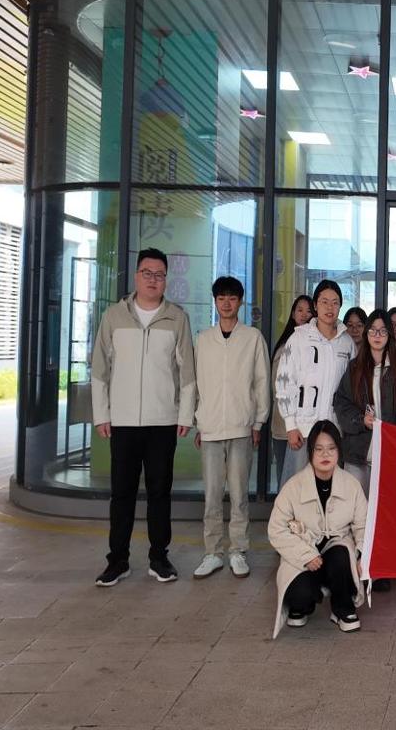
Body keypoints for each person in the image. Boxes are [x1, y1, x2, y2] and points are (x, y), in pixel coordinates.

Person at [91, 248, 195, 587]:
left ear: (166, 280)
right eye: (147, 273)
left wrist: (185, 414)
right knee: (121, 494)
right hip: (122, 422)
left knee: (159, 493)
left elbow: (187, 372)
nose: (153, 280)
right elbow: (99, 369)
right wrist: (102, 414)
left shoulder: (177, 318)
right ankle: (117, 560)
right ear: (136, 276)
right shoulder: (114, 316)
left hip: (163, 421)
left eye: (160, 275)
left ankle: (159, 558)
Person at [192, 276, 271, 580]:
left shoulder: (252, 338)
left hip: (241, 426)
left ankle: (238, 550)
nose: (226, 303)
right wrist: (198, 421)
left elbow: (262, 381)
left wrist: (258, 421)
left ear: (240, 302)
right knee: (212, 496)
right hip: (210, 427)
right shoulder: (203, 339)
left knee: (238, 495)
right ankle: (212, 553)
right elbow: (196, 383)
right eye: (221, 298)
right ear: (215, 302)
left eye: (232, 298)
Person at [268, 420, 366, 636]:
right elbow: (276, 529)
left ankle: (343, 608)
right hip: (304, 554)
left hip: (336, 553)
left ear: (339, 451)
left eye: (331, 448)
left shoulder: (352, 485)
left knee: (342, 555)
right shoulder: (293, 486)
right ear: (310, 452)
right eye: (319, 449)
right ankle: (302, 605)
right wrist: (305, 555)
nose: (325, 455)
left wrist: (361, 555)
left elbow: (363, 525)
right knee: (299, 594)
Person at [275, 280, 356, 489]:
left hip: (334, 430)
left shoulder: (347, 343)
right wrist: (291, 425)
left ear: (340, 306)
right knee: (297, 488)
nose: (330, 307)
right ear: (315, 305)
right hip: (303, 430)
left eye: (335, 302)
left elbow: (352, 388)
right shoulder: (299, 338)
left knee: (329, 489)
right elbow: (284, 382)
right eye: (324, 302)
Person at [333, 309, 396, 497]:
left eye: (383, 331)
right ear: (366, 333)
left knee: (383, 507)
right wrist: (361, 420)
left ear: (389, 335)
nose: (377, 335)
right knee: (355, 506)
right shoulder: (354, 368)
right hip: (357, 452)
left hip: (387, 454)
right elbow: (341, 403)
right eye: (373, 330)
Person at [270, 295, 313, 485]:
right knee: (287, 479)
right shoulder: (286, 346)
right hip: (284, 425)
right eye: (299, 310)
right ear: (293, 314)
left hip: (305, 426)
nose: (304, 315)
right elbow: (277, 387)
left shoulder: (315, 346)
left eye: (309, 311)